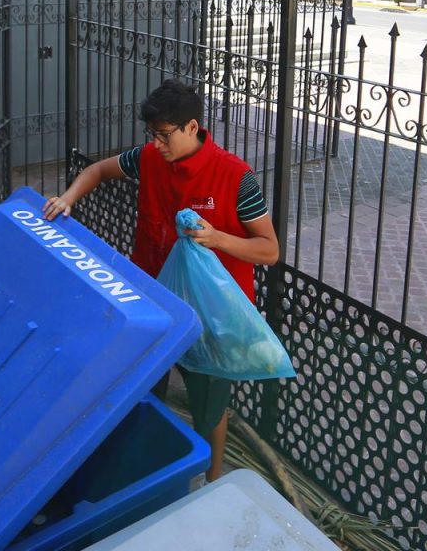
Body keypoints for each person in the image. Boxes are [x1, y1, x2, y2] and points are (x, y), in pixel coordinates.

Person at [43, 80, 278, 482]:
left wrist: (217, 237)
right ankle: (147, 470)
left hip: (212, 314)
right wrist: (68, 198)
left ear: (191, 127)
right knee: (146, 387)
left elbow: (269, 250)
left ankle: (212, 478)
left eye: (165, 135)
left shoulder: (236, 177)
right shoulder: (150, 157)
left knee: (209, 405)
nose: (157, 144)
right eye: (151, 135)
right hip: (154, 299)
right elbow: (98, 170)